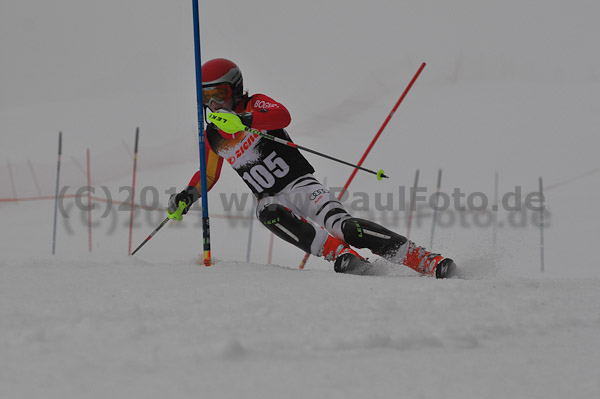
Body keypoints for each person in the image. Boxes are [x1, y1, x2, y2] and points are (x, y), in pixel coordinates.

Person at [168, 58, 456, 278]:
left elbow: (282, 116)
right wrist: (188, 195)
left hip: (301, 186)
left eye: (219, 94)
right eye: (206, 98)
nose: (215, 104)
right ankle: (340, 257)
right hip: (272, 197)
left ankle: (425, 260)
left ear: (236, 89)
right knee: (267, 212)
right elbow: (208, 174)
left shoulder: (256, 104)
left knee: (346, 228)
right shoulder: (213, 136)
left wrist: (245, 120)